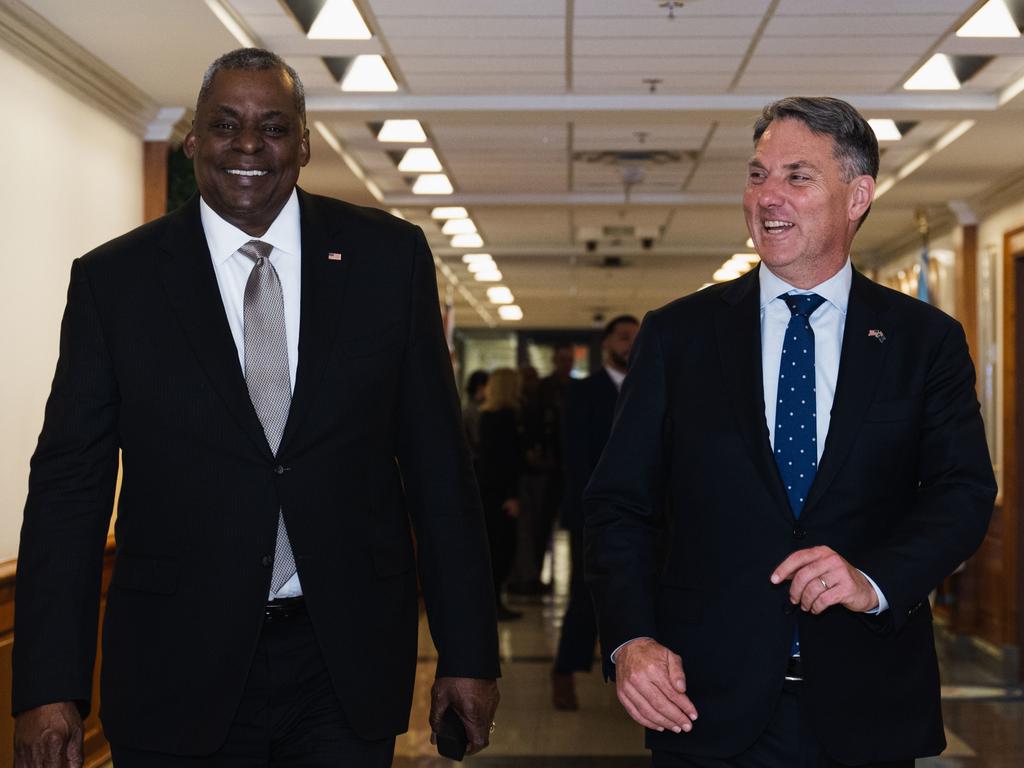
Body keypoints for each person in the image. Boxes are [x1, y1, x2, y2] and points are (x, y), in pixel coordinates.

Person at [13, 48, 499, 768]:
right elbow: (68, 491)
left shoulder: (386, 260)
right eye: (225, 125)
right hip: (175, 661)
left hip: (344, 662)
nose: (248, 146)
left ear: (303, 144)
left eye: (272, 127)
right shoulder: (117, 283)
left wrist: (469, 652)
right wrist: (48, 684)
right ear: (193, 140)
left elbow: (438, 469)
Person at [584, 97, 996, 767]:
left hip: (868, 704)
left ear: (857, 195)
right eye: (756, 175)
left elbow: (962, 491)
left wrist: (873, 578)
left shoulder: (923, 341)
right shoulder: (678, 335)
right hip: (704, 705)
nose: (766, 196)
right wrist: (630, 640)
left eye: (796, 176)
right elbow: (618, 505)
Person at [552, 315, 639, 710]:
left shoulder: (649, 384)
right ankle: (565, 672)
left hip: (644, 514)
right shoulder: (584, 392)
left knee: (640, 593)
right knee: (587, 597)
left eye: (635, 339)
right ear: (607, 344)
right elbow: (574, 456)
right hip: (593, 512)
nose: (629, 345)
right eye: (623, 338)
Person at [476, 368, 525, 621]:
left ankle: (493, 602)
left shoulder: (486, 416)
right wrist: (511, 495)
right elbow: (504, 462)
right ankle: (494, 603)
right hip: (500, 495)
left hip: (488, 493)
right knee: (502, 549)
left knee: (496, 549)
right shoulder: (504, 417)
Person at [462, 368, 489, 469]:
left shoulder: (469, 409)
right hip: (478, 462)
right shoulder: (475, 411)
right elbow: (477, 439)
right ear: (481, 387)